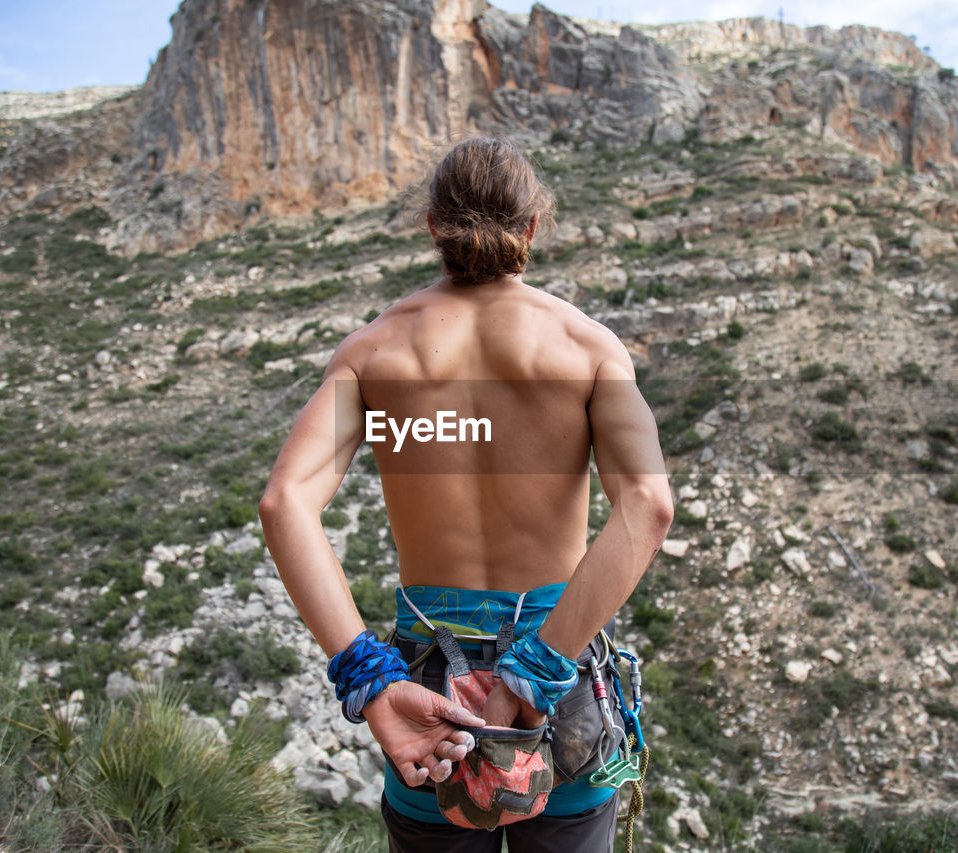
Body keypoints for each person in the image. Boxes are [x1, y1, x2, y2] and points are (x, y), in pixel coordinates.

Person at [258, 136, 673, 852]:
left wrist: (370, 679)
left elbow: (284, 502)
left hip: (429, 697)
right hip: (560, 681)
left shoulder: (374, 354)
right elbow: (649, 504)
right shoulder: (588, 349)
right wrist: (536, 668)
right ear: (533, 228)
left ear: (432, 228)